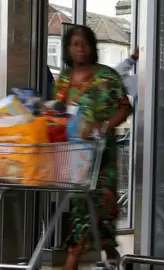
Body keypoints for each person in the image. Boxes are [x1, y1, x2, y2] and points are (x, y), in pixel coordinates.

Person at [53, 25, 132, 269]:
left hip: (102, 154)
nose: (80, 49)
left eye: (84, 44)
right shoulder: (65, 78)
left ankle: (84, 256)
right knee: (81, 205)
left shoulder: (108, 76)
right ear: (67, 49)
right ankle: (100, 254)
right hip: (75, 153)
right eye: (74, 44)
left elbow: (125, 107)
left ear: (92, 47)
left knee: (102, 204)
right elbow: (58, 111)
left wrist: (105, 125)